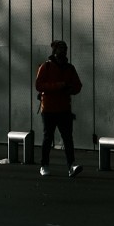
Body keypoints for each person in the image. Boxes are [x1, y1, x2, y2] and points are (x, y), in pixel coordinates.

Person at [35, 39, 83, 177]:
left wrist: (71, 89)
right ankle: (44, 165)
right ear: (54, 51)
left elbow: (78, 85)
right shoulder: (46, 67)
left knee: (68, 138)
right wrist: (59, 86)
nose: (64, 52)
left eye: (65, 49)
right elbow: (39, 85)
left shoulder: (70, 68)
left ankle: (71, 166)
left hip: (64, 109)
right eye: (61, 49)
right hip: (49, 109)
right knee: (48, 138)